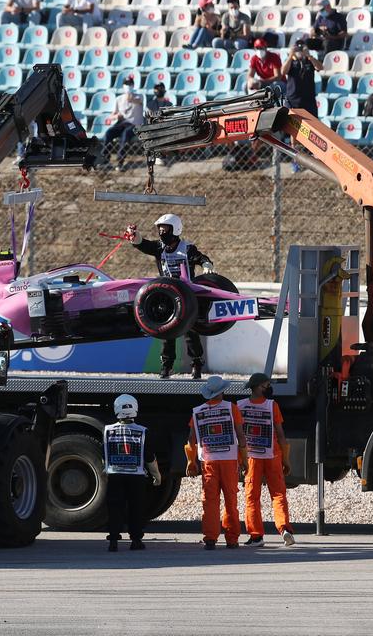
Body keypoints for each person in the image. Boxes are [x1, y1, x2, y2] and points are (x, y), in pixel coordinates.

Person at [129, 214, 214, 379]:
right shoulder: (159, 248)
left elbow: (200, 257)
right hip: (166, 297)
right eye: (159, 228)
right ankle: (166, 366)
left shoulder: (187, 248)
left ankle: (196, 364)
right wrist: (134, 236)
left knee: (190, 332)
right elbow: (143, 244)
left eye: (165, 228)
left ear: (175, 229)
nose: (161, 232)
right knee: (166, 332)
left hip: (187, 296)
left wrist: (206, 263)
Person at [184, 375, 247, 550]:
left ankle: (210, 538)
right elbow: (241, 436)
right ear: (222, 391)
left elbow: (191, 439)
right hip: (229, 460)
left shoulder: (197, 411)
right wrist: (245, 460)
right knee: (230, 500)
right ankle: (232, 539)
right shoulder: (231, 408)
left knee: (210, 501)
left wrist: (191, 461)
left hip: (208, 460)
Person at [238, 373, 295, 548]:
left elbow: (238, 435)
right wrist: (286, 459)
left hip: (252, 457)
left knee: (252, 497)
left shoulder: (240, 406)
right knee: (278, 494)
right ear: (256, 387)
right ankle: (284, 528)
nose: (268, 388)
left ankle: (256, 536)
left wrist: (241, 460)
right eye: (266, 385)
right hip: (273, 455)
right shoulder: (272, 406)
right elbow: (281, 434)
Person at [103, 394, 161, 552]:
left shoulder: (107, 430)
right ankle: (136, 540)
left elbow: (104, 455)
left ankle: (113, 540)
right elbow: (149, 458)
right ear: (135, 408)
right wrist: (157, 475)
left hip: (114, 475)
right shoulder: (143, 431)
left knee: (115, 506)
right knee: (136, 507)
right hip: (136, 477)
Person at [103, 76, 143, 170]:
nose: (128, 86)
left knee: (125, 135)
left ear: (133, 85)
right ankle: (105, 160)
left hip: (135, 124)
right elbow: (111, 116)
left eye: (130, 84)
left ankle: (120, 162)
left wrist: (130, 98)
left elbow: (138, 101)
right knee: (109, 133)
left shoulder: (139, 96)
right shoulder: (119, 99)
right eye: (126, 84)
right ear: (123, 86)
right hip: (122, 123)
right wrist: (116, 116)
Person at [282, 39, 323, 116]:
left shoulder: (310, 60)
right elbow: (283, 72)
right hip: (292, 99)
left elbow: (320, 67)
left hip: (308, 100)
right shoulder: (290, 61)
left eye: (301, 48)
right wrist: (291, 55)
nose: (299, 51)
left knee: (312, 124)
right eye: (297, 48)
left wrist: (309, 55)